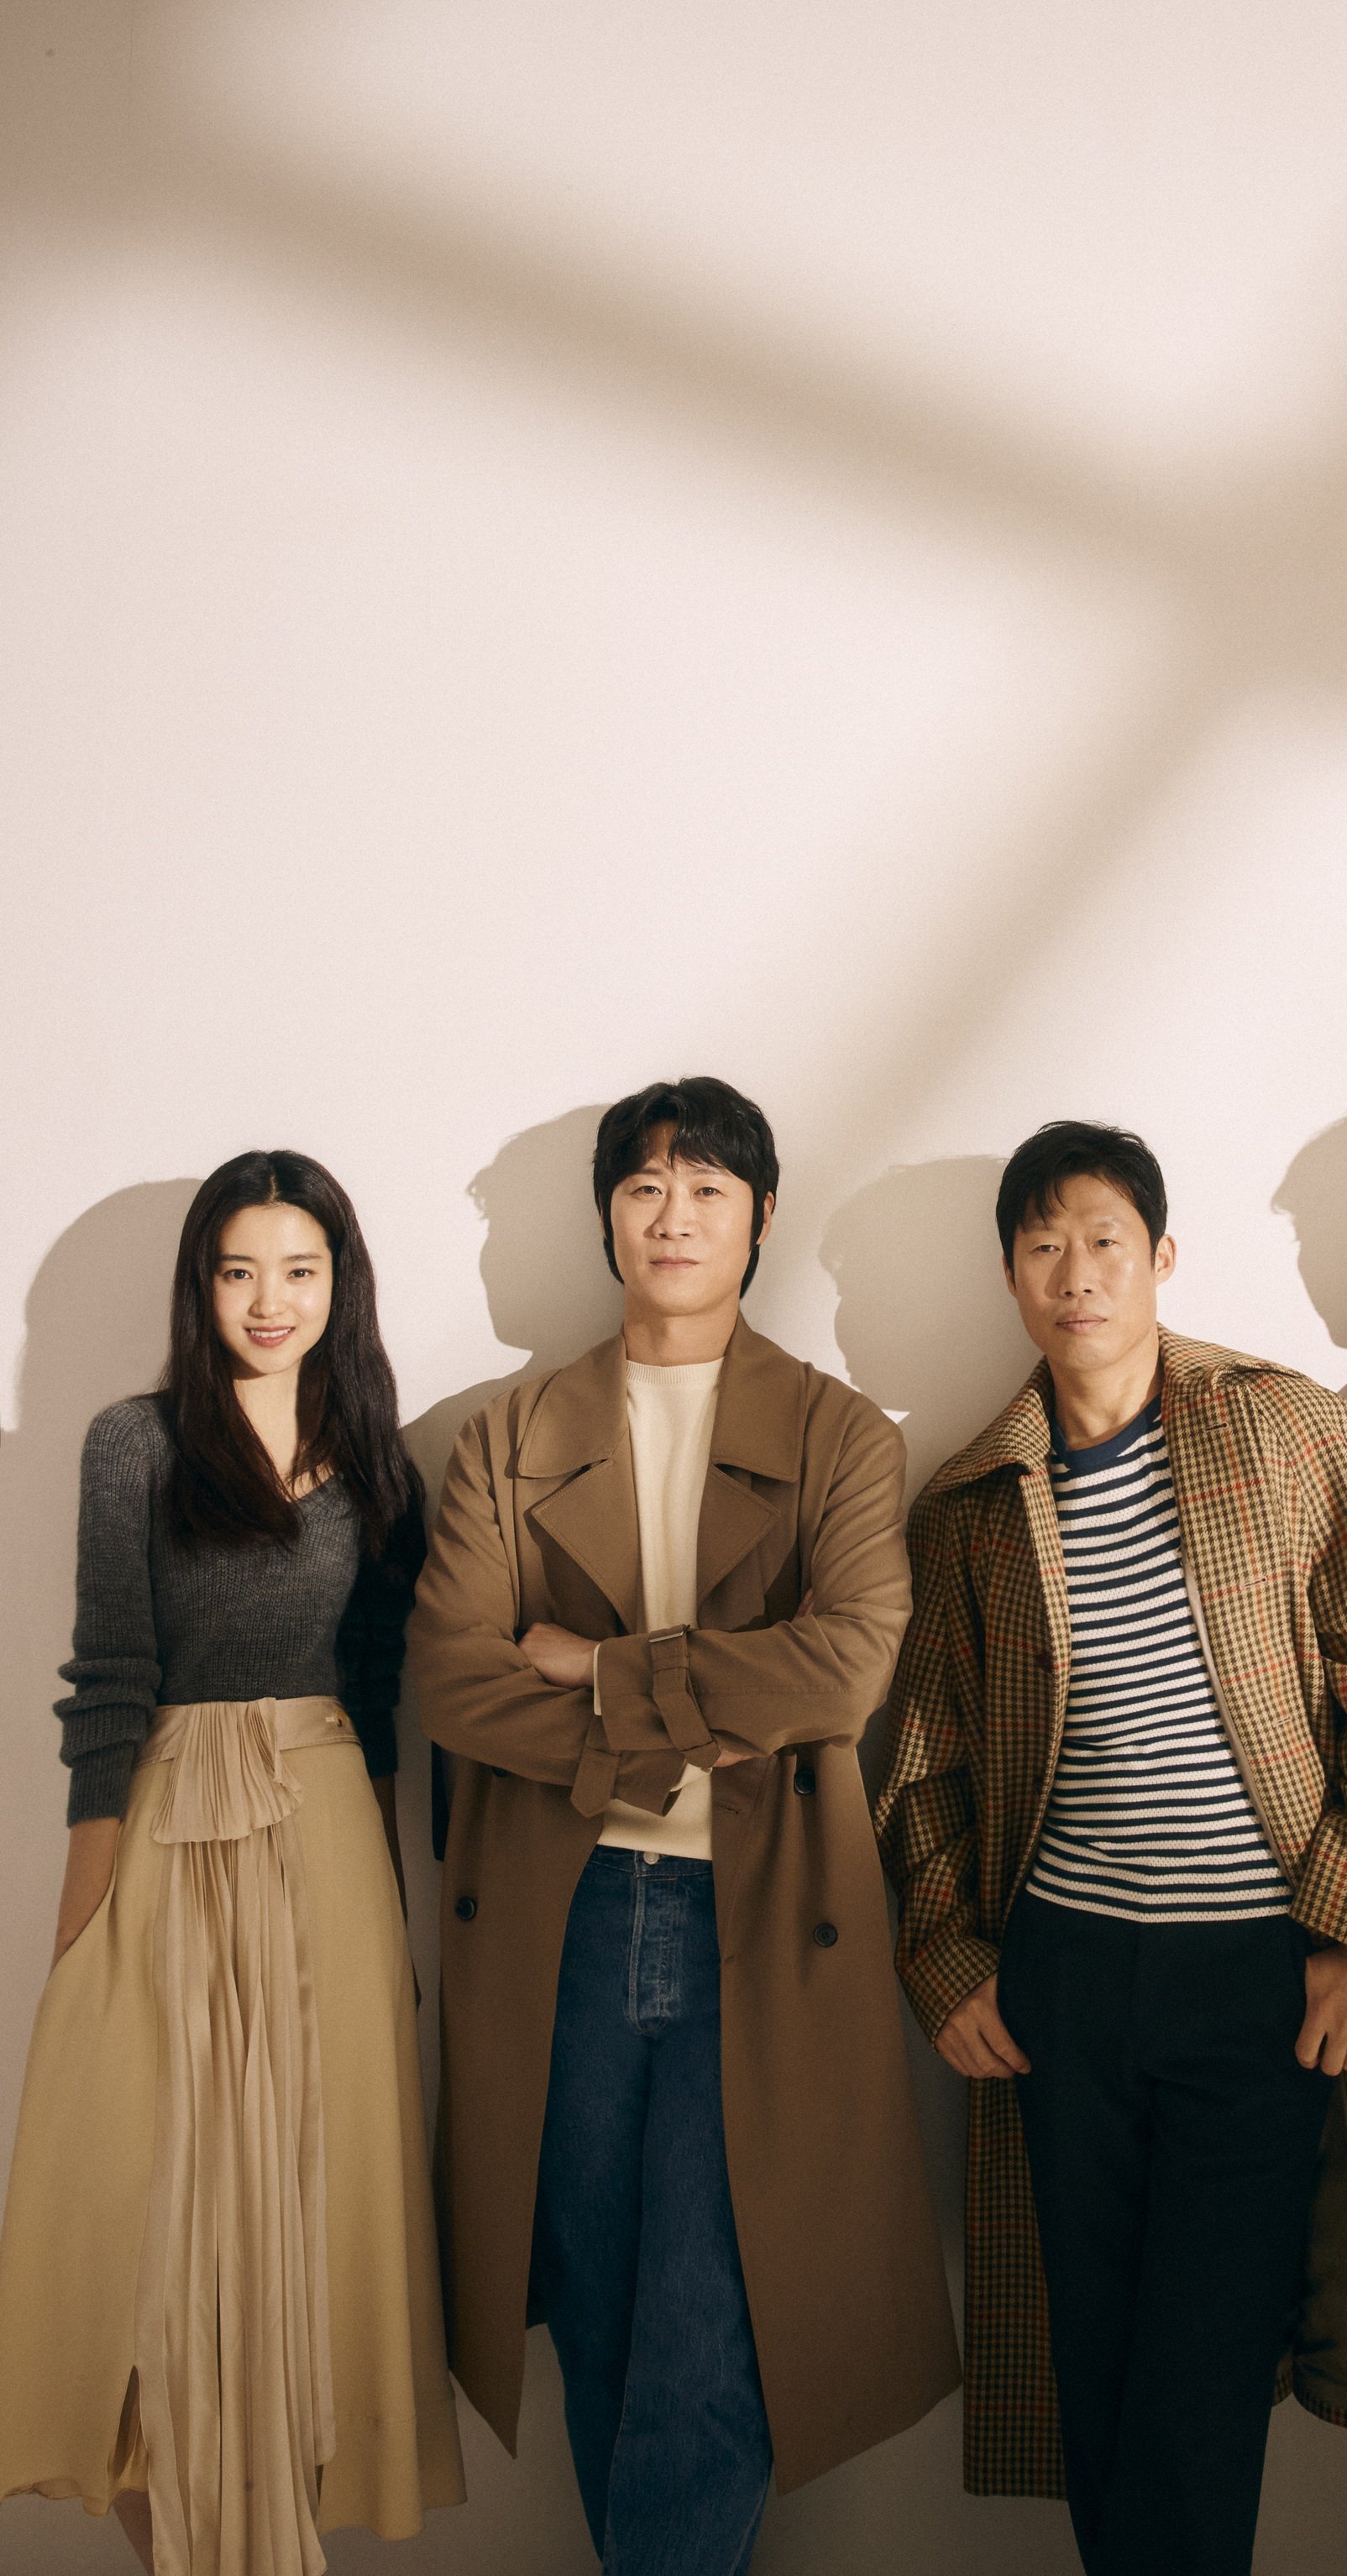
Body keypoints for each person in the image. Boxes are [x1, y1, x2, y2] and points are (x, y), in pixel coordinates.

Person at [876, 1119, 1347, 2576]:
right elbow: (927, 1757)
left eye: (1104, 1240)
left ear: (1161, 1256)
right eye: (1043, 1246)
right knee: (1093, 2367)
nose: (1076, 1274)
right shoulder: (974, 1499)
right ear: (1010, 1277)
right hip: (1062, 1984)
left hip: (1259, 1981)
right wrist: (946, 1955)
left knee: (1199, 2380)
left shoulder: (1284, 1430)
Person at [407, 1076, 958, 2576]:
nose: (674, 1215)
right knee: (596, 2313)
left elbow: (845, 1666)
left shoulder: (839, 1433)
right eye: (645, 1186)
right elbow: (455, 1679)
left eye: (708, 1187)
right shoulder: (509, 1435)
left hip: (765, 1921)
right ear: (607, 1216)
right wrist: (680, 1732)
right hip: (565, 1921)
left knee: (716, 2332)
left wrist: (597, 1673)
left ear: (759, 1216)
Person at [0, 1151, 464, 2575]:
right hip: (166, 1823)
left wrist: (391, 1904)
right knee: (151, 2219)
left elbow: (380, 1694)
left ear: (340, 1284)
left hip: (327, 1831)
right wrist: (85, 1910)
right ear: (201, 1284)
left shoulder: (379, 1460)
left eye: (299, 1270)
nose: (270, 1300)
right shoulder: (133, 1444)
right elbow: (110, 1674)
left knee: (307, 2223)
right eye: (239, 1270)